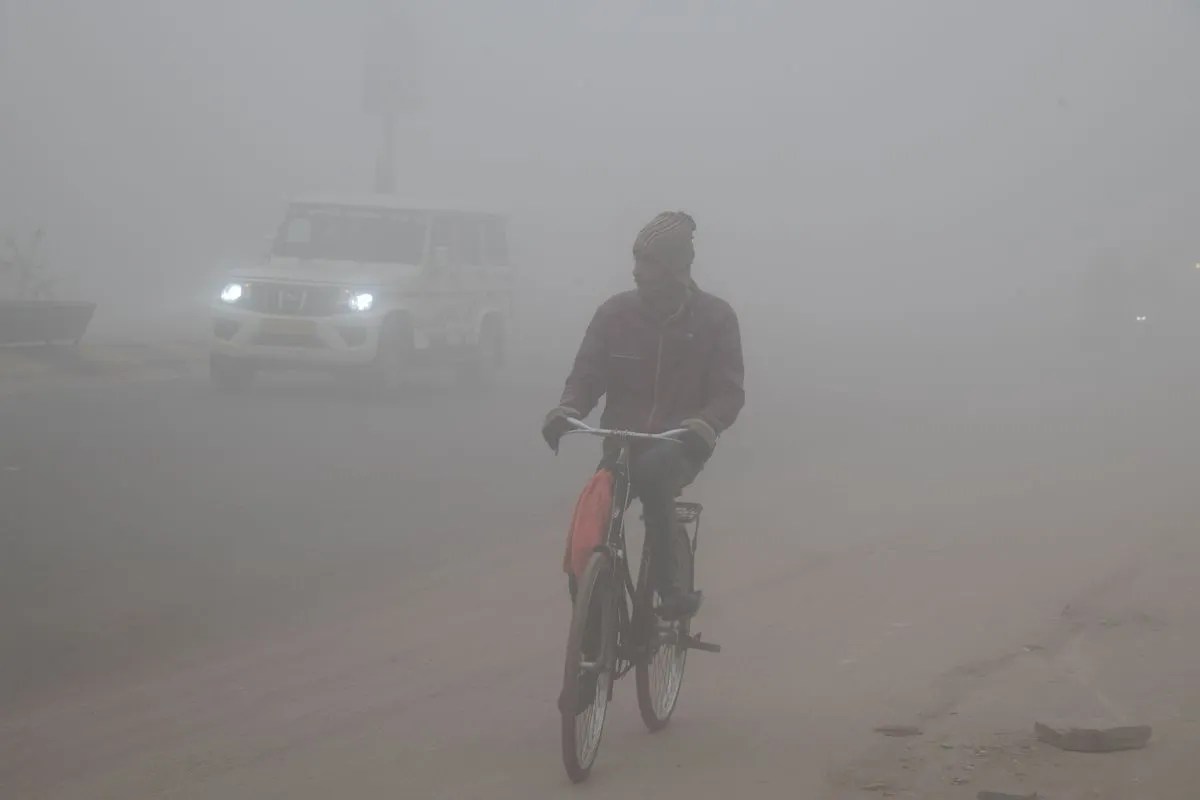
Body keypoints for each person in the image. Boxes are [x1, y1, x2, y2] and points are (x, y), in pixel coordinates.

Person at [541, 211, 745, 620]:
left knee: (654, 474)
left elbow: (729, 392)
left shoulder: (716, 319)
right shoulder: (614, 314)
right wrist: (568, 408)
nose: (636, 271)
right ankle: (591, 632)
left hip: (681, 443)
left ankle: (671, 592)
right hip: (622, 441)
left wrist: (705, 423)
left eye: (648, 262)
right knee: (591, 522)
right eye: (636, 259)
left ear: (675, 269)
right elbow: (587, 374)